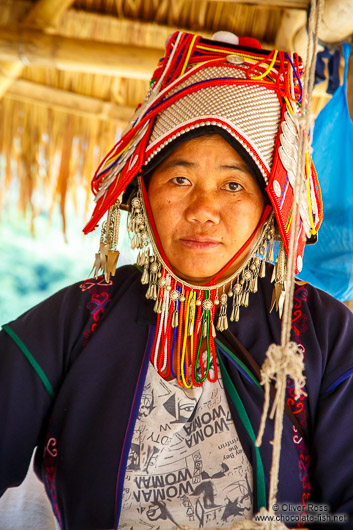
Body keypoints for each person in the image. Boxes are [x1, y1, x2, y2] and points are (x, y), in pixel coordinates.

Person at [1, 30, 353, 530]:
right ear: (144, 192)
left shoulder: (324, 334)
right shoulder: (79, 318)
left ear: (269, 209)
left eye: (234, 184)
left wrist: (278, 519)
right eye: (180, 179)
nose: (203, 209)